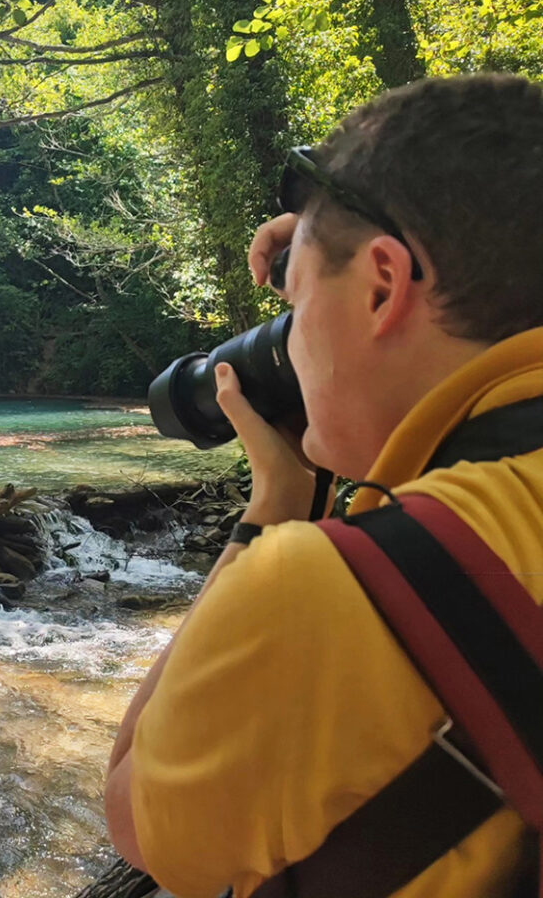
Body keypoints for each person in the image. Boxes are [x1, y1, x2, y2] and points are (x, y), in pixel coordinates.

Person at [104, 72, 543, 897]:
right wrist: (324, 250)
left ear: (383, 286)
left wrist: (274, 509)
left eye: (295, 308)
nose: (288, 345)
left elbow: (135, 821)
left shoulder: (323, 589)